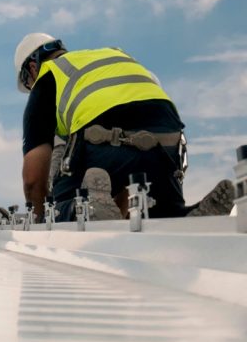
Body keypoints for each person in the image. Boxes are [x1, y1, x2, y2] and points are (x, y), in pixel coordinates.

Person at [14, 33, 234, 222]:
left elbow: (34, 180)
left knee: (62, 203)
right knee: (162, 216)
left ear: (32, 68)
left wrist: (41, 218)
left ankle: (83, 208)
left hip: (105, 143)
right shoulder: (112, 54)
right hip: (167, 142)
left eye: (27, 82)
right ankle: (188, 219)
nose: (31, 87)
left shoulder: (48, 76)